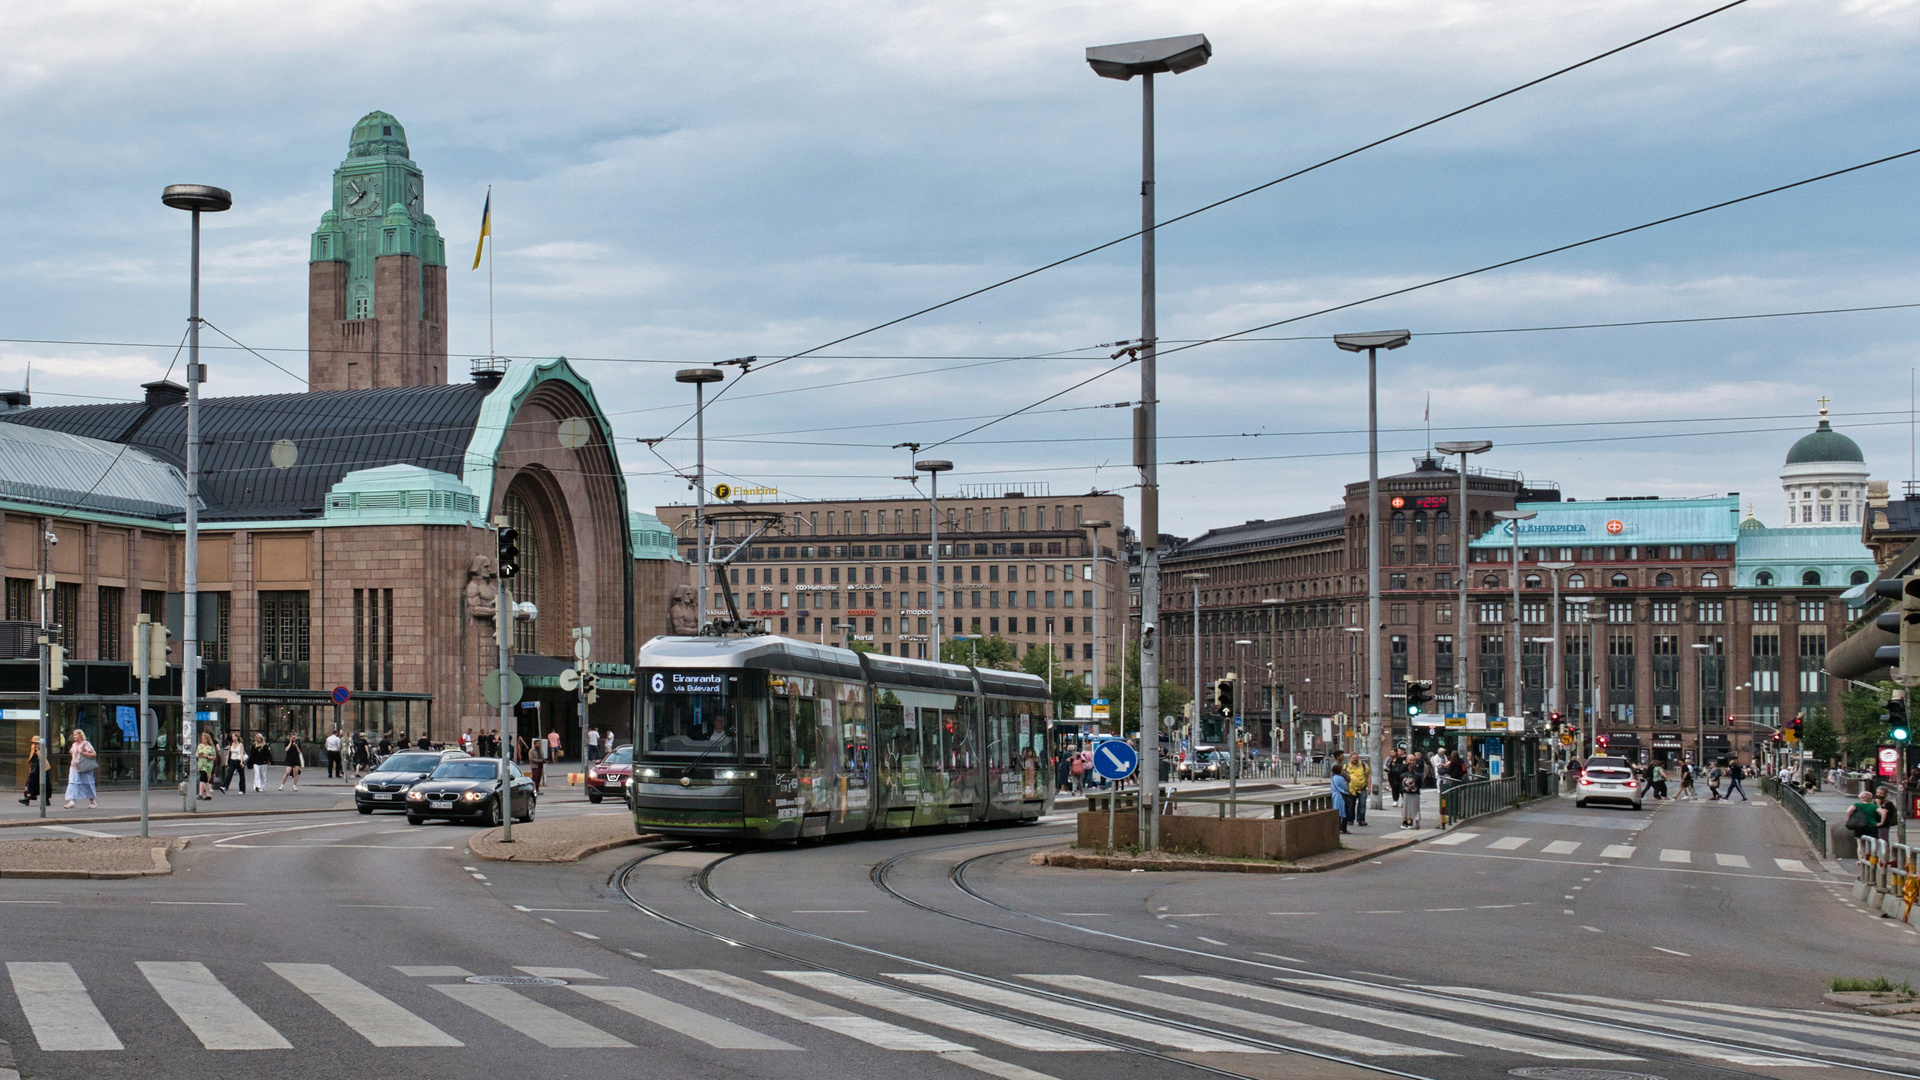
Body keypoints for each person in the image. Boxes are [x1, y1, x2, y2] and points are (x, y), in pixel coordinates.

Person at [62, 728, 98, 810]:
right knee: (72, 783)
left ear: (80, 735)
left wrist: (83, 752)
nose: (74, 736)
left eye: (76, 735)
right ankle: (72, 801)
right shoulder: (74, 745)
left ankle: (92, 801)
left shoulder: (86, 744)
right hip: (74, 767)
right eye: (74, 735)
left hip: (84, 767)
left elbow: (93, 754)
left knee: (88, 783)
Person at [1848, 788, 1887, 862]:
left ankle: (1861, 859)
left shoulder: (1857, 805)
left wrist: (1849, 819)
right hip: (1872, 826)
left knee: (1860, 844)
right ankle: (1872, 859)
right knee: (1873, 843)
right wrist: (1881, 822)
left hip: (1860, 826)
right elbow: (1883, 813)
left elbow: (1848, 811)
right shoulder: (1874, 806)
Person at [19, 735, 49, 805]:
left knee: (44, 783)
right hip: (34, 767)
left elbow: (43, 759)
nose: (35, 745)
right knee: (30, 782)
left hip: (42, 768)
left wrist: (38, 752)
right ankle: (28, 798)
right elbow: (31, 757)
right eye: (34, 743)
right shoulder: (32, 747)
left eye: (37, 743)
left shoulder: (43, 749)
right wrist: (30, 768)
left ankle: (46, 799)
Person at [1346, 754, 1370, 827]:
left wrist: (1369, 787)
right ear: (1350, 758)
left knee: (1362, 804)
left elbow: (1368, 776)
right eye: (1353, 758)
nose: (1355, 759)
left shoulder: (1363, 765)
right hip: (1351, 789)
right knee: (1350, 805)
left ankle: (1361, 820)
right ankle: (1350, 819)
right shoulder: (1346, 766)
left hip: (1362, 787)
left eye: (1356, 758)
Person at [1330, 751, 1351, 833]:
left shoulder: (1335, 776)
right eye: (1341, 755)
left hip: (1335, 795)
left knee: (1338, 812)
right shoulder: (1338, 774)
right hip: (1341, 796)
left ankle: (1339, 828)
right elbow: (1345, 786)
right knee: (1343, 812)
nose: (1343, 756)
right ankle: (1343, 828)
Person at [194, 730, 217, 801]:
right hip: (201, 763)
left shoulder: (211, 747)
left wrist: (206, 756)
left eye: (204, 738)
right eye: (202, 738)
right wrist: (199, 755)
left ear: (207, 739)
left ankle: (200, 794)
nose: (202, 740)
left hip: (207, 765)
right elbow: (196, 754)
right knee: (206, 780)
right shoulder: (200, 746)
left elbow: (214, 757)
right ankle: (208, 795)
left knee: (202, 778)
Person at [1400, 761, 1421, 829]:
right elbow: (1420, 785)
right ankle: (1416, 818)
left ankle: (1409, 823)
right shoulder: (1418, 776)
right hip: (1415, 794)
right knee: (1415, 808)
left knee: (1407, 808)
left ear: (1408, 768)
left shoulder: (1403, 775)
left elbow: (1401, 784)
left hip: (1406, 794)